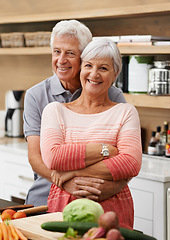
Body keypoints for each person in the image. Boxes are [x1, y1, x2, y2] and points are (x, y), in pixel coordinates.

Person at [40, 38, 142, 229]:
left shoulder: (126, 112)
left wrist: (72, 172)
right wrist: (105, 151)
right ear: (81, 69)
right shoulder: (55, 111)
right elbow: (53, 158)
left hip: (114, 211)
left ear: (116, 73)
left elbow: (131, 162)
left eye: (103, 68)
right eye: (88, 65)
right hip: (65, 207)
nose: (94, 74)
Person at [23, 19, 127, 207]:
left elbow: (126, 160)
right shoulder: (35, 96)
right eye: (56, 52)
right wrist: (65, 182)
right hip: (45, 197)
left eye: (70, 53)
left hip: (97, 199)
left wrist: (112, 188)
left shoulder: (112, 95)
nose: (61, 60)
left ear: (84, 56)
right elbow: (35, 157)